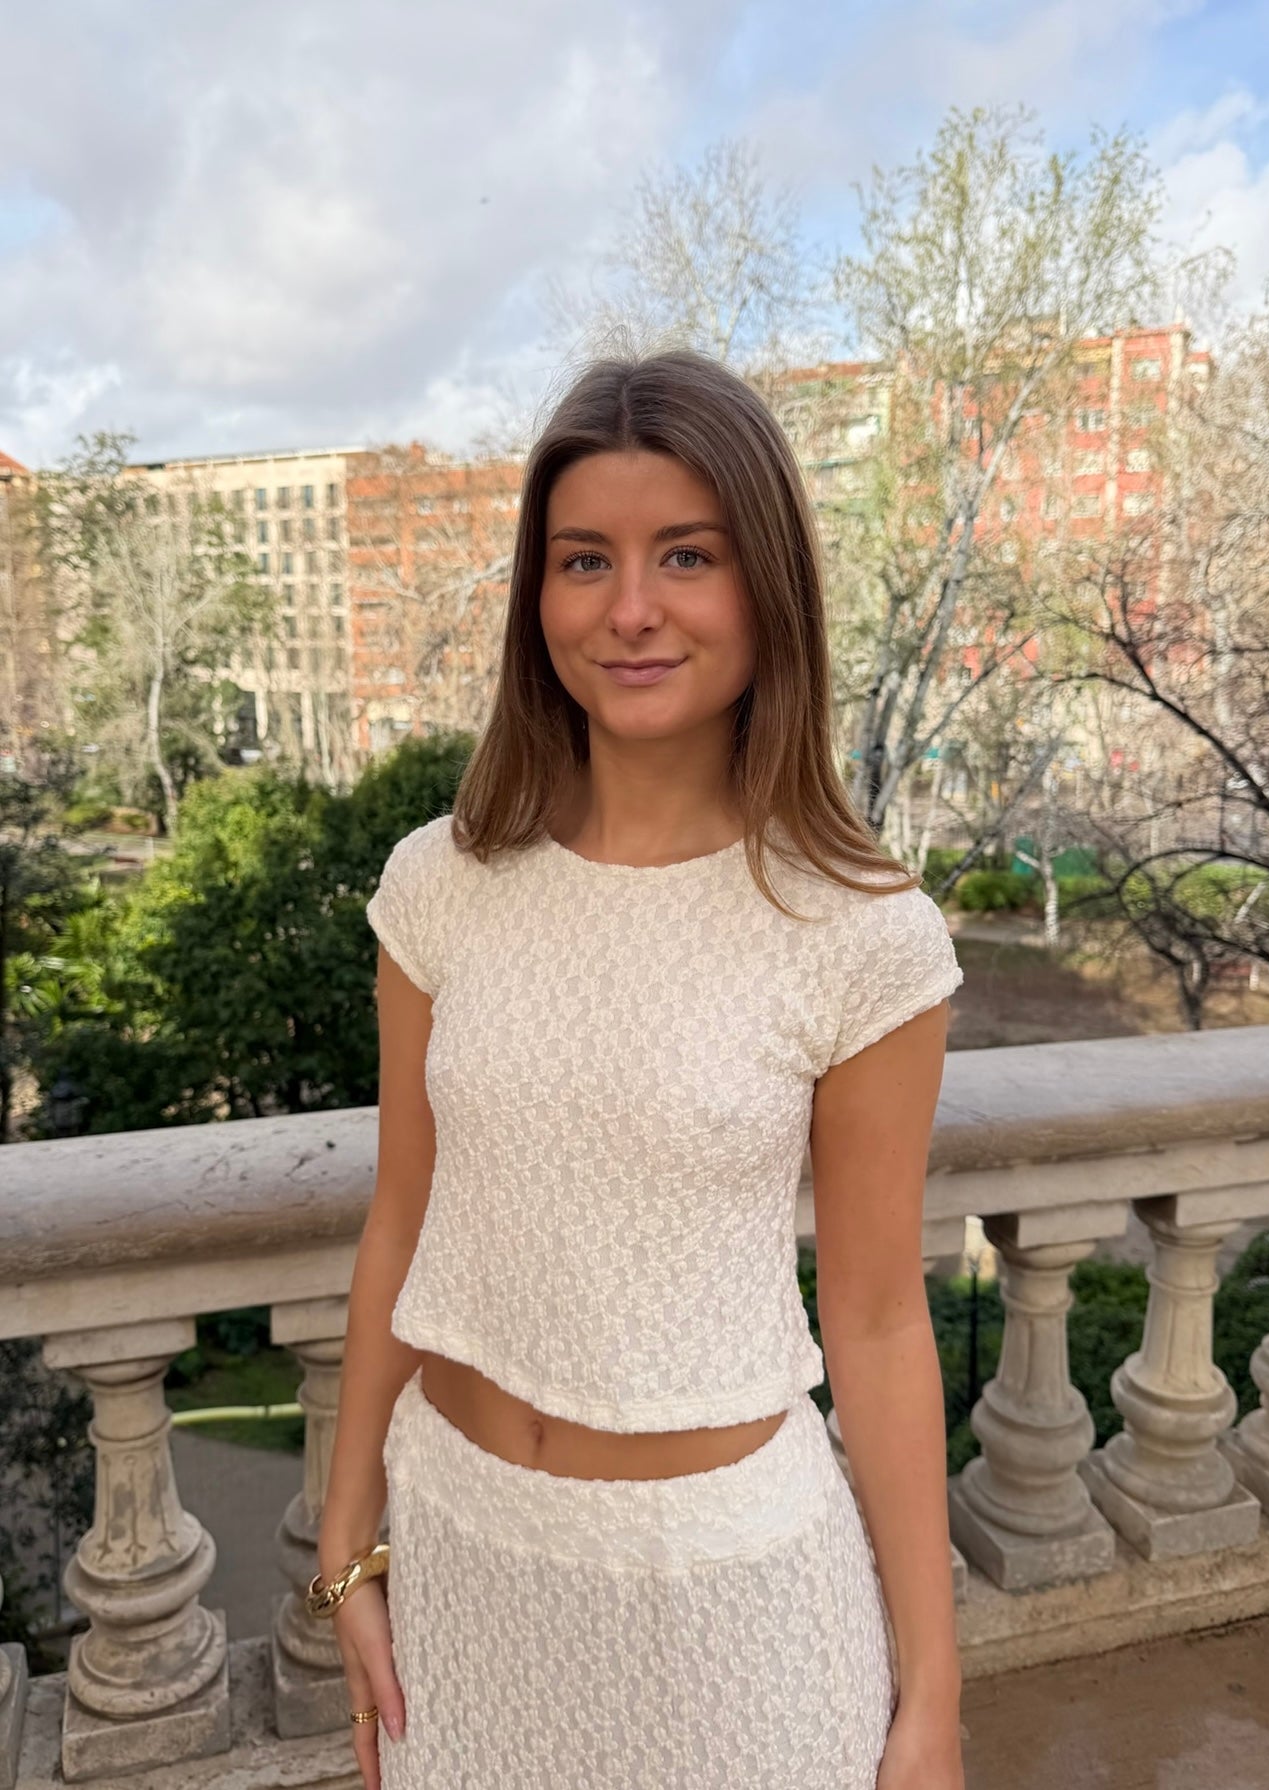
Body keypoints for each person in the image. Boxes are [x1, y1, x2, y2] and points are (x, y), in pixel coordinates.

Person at [314, 347, 967, 1789]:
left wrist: (931, 1698)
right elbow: (402, 1219)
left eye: (687, 554)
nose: (629, 610)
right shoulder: (441, 884)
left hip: (727, 1601)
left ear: (767, 585)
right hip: (465, 1565)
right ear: (536, 593)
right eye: (583, 560)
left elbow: (875, 1319)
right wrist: (345, 1537)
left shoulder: (862, 931)